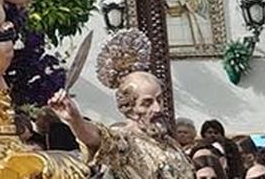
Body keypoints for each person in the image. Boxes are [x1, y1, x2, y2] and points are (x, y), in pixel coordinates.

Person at [49, 32, 193, 179]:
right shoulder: (125, 142)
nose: (157, 108)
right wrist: (75, 119)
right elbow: (96, 137)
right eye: (147, 103)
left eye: (159, 100)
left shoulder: (169, 142)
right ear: (129, 108)